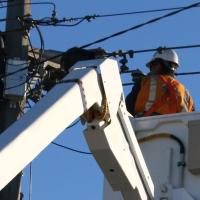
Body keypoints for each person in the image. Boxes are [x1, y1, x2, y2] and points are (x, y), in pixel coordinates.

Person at [125, 48, 195, 117]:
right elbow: (193, 118)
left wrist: (139, 82)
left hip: (147, 124)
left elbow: (128, 107)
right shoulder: (185, 92)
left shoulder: (145, 82)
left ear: (161, 65)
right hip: (178, 126)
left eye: (154, 64)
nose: (151, 69)